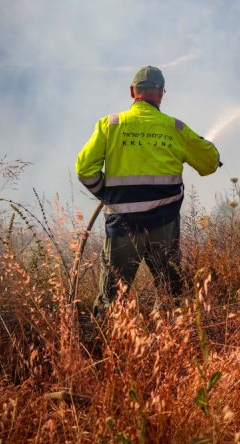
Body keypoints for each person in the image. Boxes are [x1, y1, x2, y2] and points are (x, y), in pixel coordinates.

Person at [76, 65, 220, 316]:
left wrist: (106, 194)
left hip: (121, 226)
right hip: (163, 226)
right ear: (161, 93)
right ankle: (172, 344)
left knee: (112, 300)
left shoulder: (110, 124)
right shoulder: (175, 128)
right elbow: (209, 164)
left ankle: (106, 346)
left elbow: (85, 169)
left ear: (133, 92)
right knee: (170, 295)